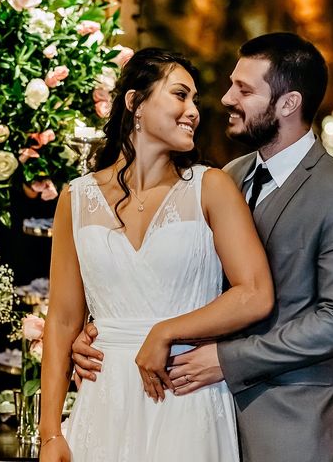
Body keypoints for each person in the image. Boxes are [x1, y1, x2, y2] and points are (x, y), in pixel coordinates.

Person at [72, 33, 333, 462]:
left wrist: (228, 358)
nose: (227, 98)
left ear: (288, 103)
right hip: (199, 412)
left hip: (293, 422)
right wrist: (101, 331)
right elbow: (185, 276)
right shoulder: (227, 176)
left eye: (245, 90)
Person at [39, 48, 274, 462]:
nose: (193, 112)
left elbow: (254, 292)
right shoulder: (75, 199)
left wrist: (165, 331)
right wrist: (50, 433)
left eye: (195, 101)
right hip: (104, 398)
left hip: (184, 391)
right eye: (180, 95)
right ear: (135, 103)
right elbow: (61, 320)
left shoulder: (212, 187)